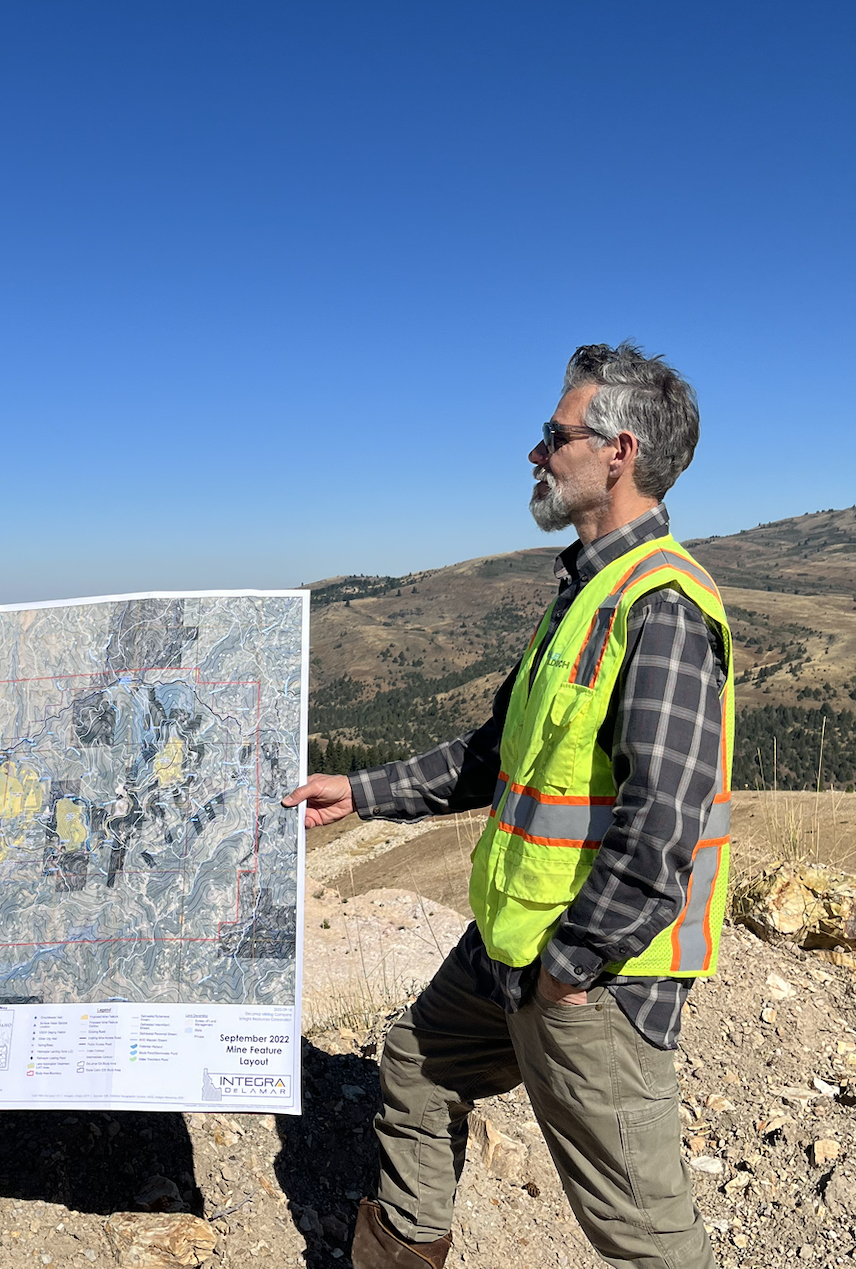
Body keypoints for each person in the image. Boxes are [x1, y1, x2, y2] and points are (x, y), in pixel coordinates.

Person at [285, 343, 729, 1269]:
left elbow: (661, 828)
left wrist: (570, 967)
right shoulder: (588, 590)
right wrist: (362, 792)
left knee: (647, 1239)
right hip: (511, 946)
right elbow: (496, 756)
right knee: (416, 1062)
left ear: (619, 451)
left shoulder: (663, 606)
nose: (537, 452)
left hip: (591, 973)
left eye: (554, 435)